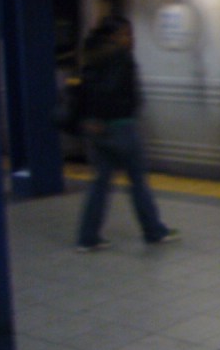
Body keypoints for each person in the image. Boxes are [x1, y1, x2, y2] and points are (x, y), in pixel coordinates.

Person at [76, 16, 179, 252]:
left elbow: (85, 92)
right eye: (127, 34)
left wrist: (93, 119)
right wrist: (128, 110)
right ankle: (154, 231)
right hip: (122, 128)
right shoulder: (121, 57)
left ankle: (87, 237)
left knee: (99, 185)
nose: (130, 39)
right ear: (115, 35)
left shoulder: (91, 56)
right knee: (138, 182)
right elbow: (117, 93)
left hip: (96, 131)